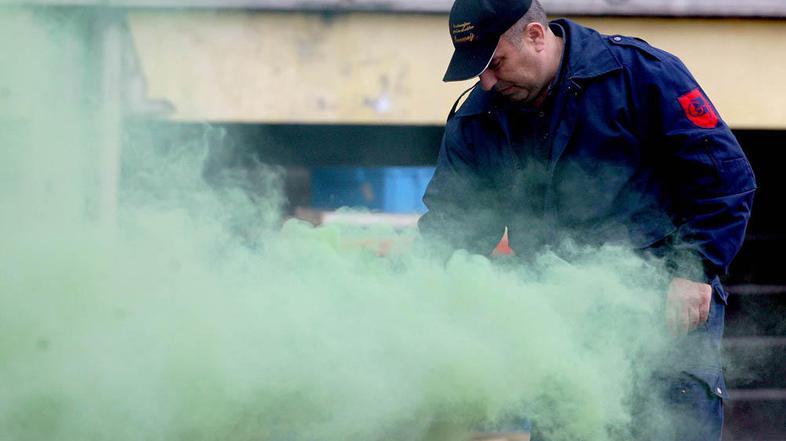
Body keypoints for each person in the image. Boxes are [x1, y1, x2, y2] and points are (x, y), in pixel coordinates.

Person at [418, 0, 757, 440]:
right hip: (560, 328)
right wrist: (419, 298)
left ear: (536, 36)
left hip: (664, 310)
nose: (486, 80)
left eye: (494, 62)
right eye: (477, 70)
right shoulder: (477, 118)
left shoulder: (638, 75)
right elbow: (452, 225)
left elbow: (726, 177)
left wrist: (694, 269)